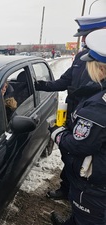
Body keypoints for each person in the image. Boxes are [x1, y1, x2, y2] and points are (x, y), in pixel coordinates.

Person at [34, 15, 106, 201]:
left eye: (86, 35)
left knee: (85, 159)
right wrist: (37, 85)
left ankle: (81, 202)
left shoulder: (99, 59)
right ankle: (68, 191)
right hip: (75, 115)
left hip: (93, 119)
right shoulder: (81, 58)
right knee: (70, 156)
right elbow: (63, 82)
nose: (83, 39)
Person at [49, 29, 106, 225]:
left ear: (101, 69)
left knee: (88, 217)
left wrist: (57, 134)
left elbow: (79, 145)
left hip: (95, 186)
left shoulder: (98, 106)